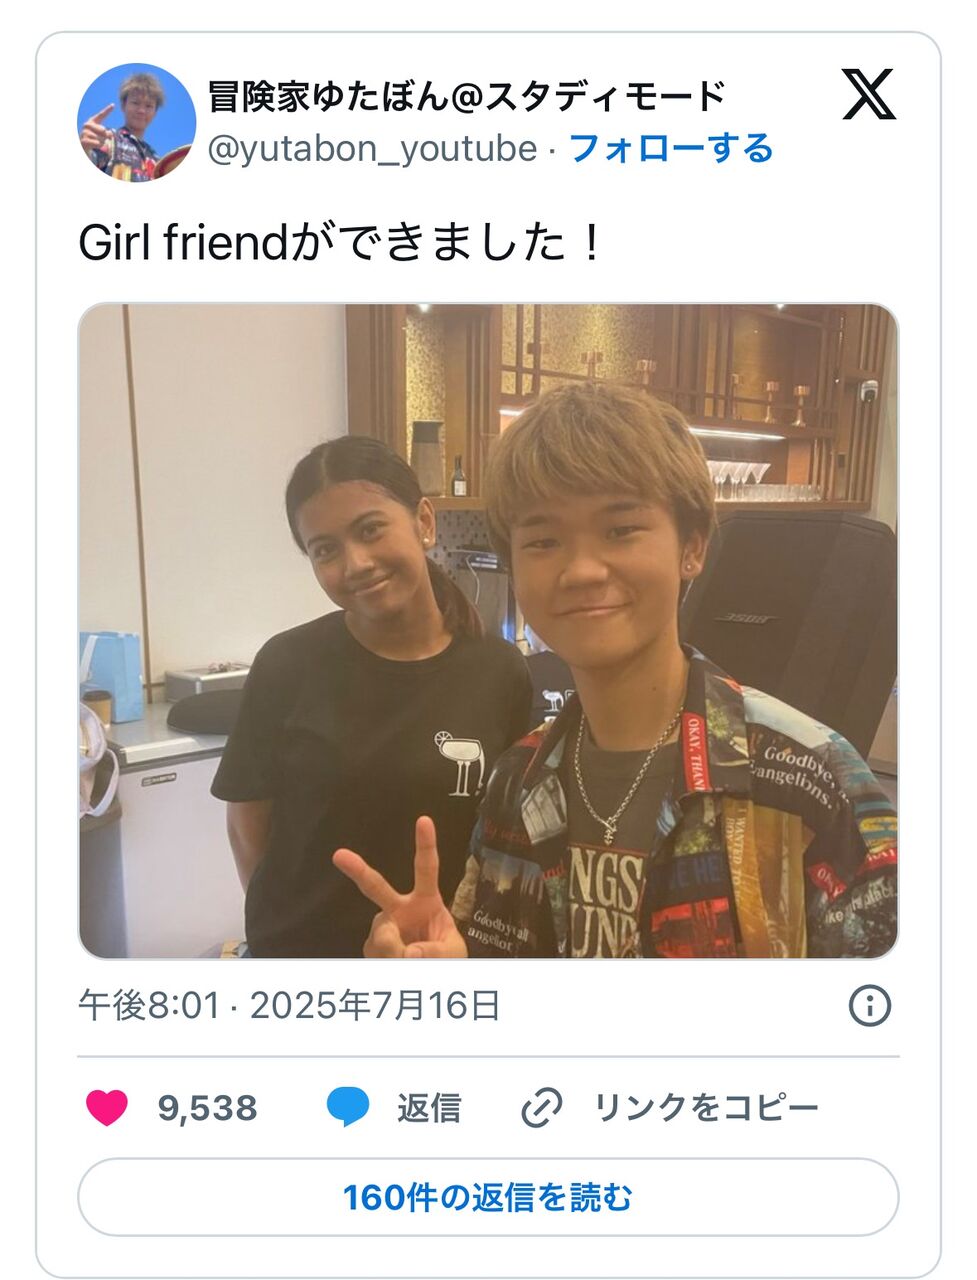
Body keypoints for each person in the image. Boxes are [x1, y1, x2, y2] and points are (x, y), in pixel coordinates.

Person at [334, 383, 897, 959]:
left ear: (692, 547)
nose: (581, 570)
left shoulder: (811, 781)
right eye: (544, 540)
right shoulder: (515, 783)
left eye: (621, 530)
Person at [211, 436, 533, 957]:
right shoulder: (287, 665)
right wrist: (282, 936)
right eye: (325, 550)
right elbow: (247, 826)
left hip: (438, 960)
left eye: (370, 530)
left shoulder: (499, 671)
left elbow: (506, 840)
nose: (355, 563)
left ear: (424, 522)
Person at [80, 71, 164, 181]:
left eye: (148, 106)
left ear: (155, 112)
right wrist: (85, 149)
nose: (141, 110)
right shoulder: (107, 137)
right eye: (135, 103)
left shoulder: (158, 160)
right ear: (123, 105)